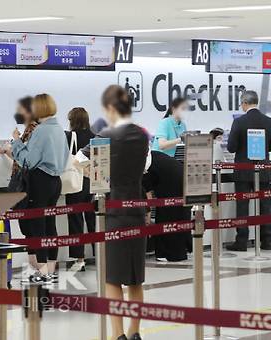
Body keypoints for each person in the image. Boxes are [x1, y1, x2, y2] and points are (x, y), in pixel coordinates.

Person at [78, 85, 150, 340]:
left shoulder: (106, 136)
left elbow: (79, 159)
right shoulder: (143, 135)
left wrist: (89, 173)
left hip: (113, 212)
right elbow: (146, 166)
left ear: (110, 108)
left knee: (112, 279)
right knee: (135, 279)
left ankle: (117, 334)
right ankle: (134, 331)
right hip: (137, 209)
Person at [11, 93, 69, 282]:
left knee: (37, 226)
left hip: (40, 180)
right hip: (55, 181)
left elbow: (29, 160)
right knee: (50, 224)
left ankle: (42, 271)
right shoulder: (59, 129)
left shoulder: (41, 131)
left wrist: (17, 143)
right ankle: (50, 269)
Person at [226, 90, 271, 251]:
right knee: (265, 204)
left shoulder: (239, 122)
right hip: (263, 169)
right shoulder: (269, 121)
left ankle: (241, 241)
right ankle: (266, 241)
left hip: (243, 170)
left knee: (242, 206)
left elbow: (231, 147)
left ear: (244, 103)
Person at [0, 96, 41, 270]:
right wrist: (6, 151)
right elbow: (20, 158)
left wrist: (16, 140)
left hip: (28, 184)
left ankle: (38, 265)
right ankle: (35, 264)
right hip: (24, 183)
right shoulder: (29, 130)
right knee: (26, 225)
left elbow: (28, 160)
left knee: (30, 225)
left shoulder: (34, 131)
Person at [142, 151, 191, 262]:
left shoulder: (143, 164)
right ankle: (179, 252)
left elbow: (147, 194)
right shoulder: (154, 155)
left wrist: (148, 217)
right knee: (179, 216)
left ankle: (168, 254)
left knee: (167, 216)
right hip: (182, 181)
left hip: (172, 186)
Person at [64, 107, 96, 272]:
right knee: (93, 219)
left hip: (76, 183)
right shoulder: (94, 137)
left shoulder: (69, 136)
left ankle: (79, 259)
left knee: (75, 220)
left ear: (72, 121)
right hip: (92, 182)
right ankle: (99, 253)